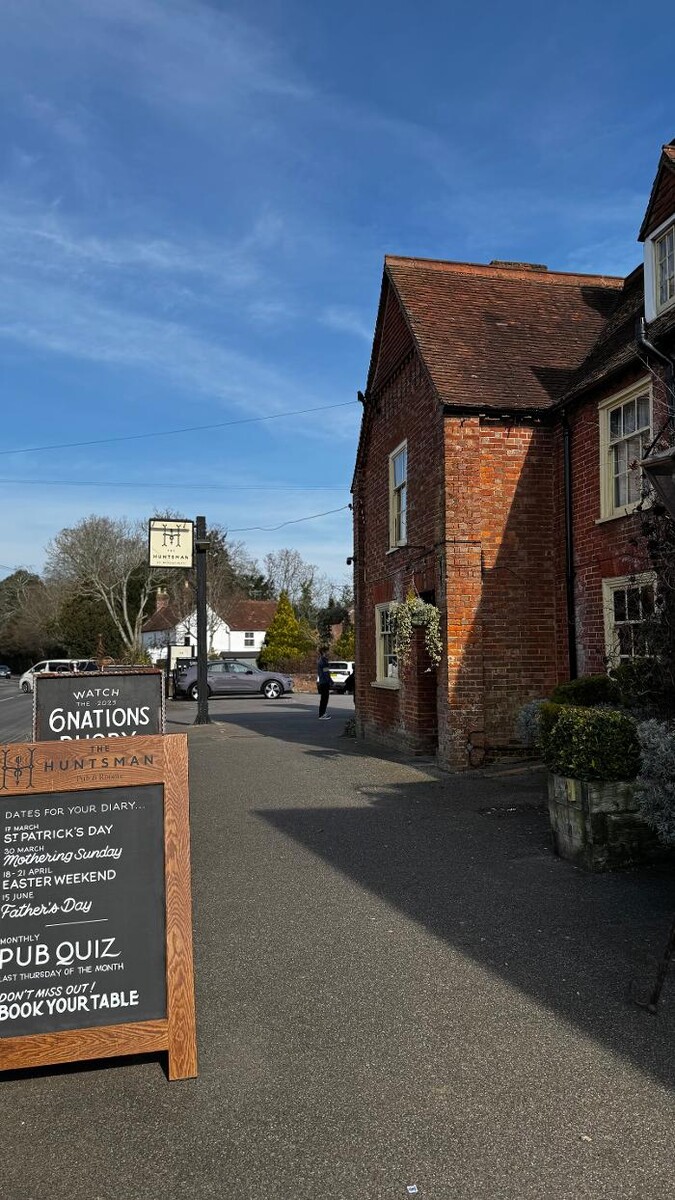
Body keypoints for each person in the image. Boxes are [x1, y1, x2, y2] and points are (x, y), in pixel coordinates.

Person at [317, 647, 332, 719]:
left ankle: (322, 713)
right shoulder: (324, 661)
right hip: (324, 682)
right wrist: (330, 681)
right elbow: (326, 673)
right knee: (324, 699)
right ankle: (322, 714)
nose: (328, 653)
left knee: (323, 699)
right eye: (327, 652)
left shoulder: (321, 661)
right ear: (324, 652)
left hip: (322, 682)